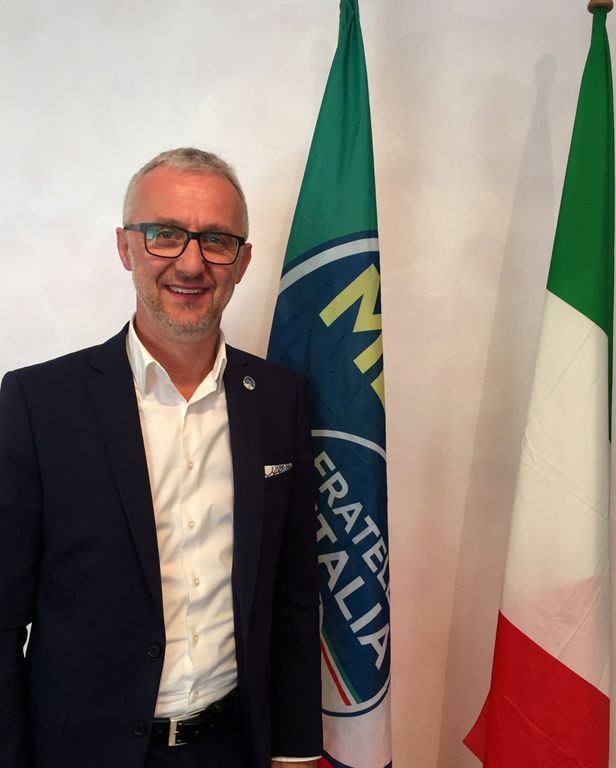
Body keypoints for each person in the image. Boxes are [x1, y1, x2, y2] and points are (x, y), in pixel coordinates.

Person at [0, 148, 322, 768]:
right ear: (125, 247)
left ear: (243, 261)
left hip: (234, 747)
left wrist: (297, 752)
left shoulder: (279, 400)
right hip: (83, 753)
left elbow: (292, 595)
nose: (192, 264)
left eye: (217, 241)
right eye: (165, 234)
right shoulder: (40, 403)